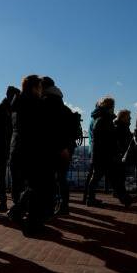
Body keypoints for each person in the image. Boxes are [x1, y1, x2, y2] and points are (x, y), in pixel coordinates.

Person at [7, 75, 70, 235]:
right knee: (41, 189)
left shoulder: (18, 104)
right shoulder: (34, 104)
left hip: (20, 151)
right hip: (32, 153)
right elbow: (42, 131)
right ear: (35, 88)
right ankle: (32, 225)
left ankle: (17, 213)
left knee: (35, 187)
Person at [85, 98, 137, 208]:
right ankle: (123, 199)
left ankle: (91, 199)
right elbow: (107, 139)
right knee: (105, 177)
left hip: (102, 154)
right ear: (110, 107)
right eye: (113, 105)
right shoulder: (104, 120)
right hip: (105, 154)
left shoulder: (101, 119)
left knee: (102, 177)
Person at [41, 77, 80, 215]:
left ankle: (50, 206)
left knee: (49, 179)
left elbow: (51, 129)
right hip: (66, 148)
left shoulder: (45, 104)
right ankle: (64, 206)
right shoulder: (64, 107)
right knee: (61, 178)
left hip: (53, 148)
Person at [0, 86, 19, 211]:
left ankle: (6, 202)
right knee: (9, 174)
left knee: (4, 175)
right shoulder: (4, 110)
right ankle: (7, 201)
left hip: (4, 146)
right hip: (4, 146)